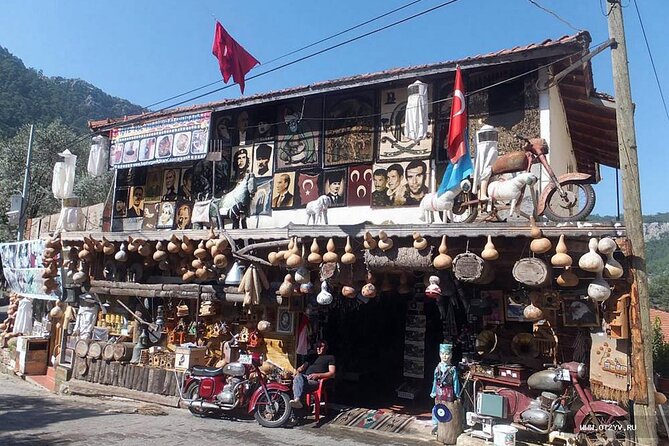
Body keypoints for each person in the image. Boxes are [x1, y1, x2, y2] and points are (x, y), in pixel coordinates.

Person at [290, 340, 336, 409]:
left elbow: (332, 373)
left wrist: (318, 375)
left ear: (326, 347)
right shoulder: (312, 357)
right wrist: (298, 370)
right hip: (304, 378)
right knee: (295, 380)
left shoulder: (329, 357)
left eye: (321, 346)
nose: (318, 348)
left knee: (295, 385)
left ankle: (297, 405)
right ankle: (296, 403)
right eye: (317, 346)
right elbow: (302, 368)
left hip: (316, 381)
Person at [430, 343, 462, 438]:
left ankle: (447, 428)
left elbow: (455, 382)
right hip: (440, 392)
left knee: (449, 410)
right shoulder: (437, 368)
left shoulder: (452, 369)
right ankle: (436, 425)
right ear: (439, 354)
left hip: (449, 393)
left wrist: (457, 393)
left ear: (451, 355)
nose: (445, 356)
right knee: (437, 408)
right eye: (443, 353)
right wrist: (433, 392)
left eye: (447, 353)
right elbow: (435, 381)